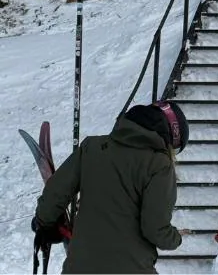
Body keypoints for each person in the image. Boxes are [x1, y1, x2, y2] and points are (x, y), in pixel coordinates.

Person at [33, 101, 189, 274]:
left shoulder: (91, 148)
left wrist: (44, 222)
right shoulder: (159, 166)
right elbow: (155, 229)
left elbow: (55, 193)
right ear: (170, 137)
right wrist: (175, 239)